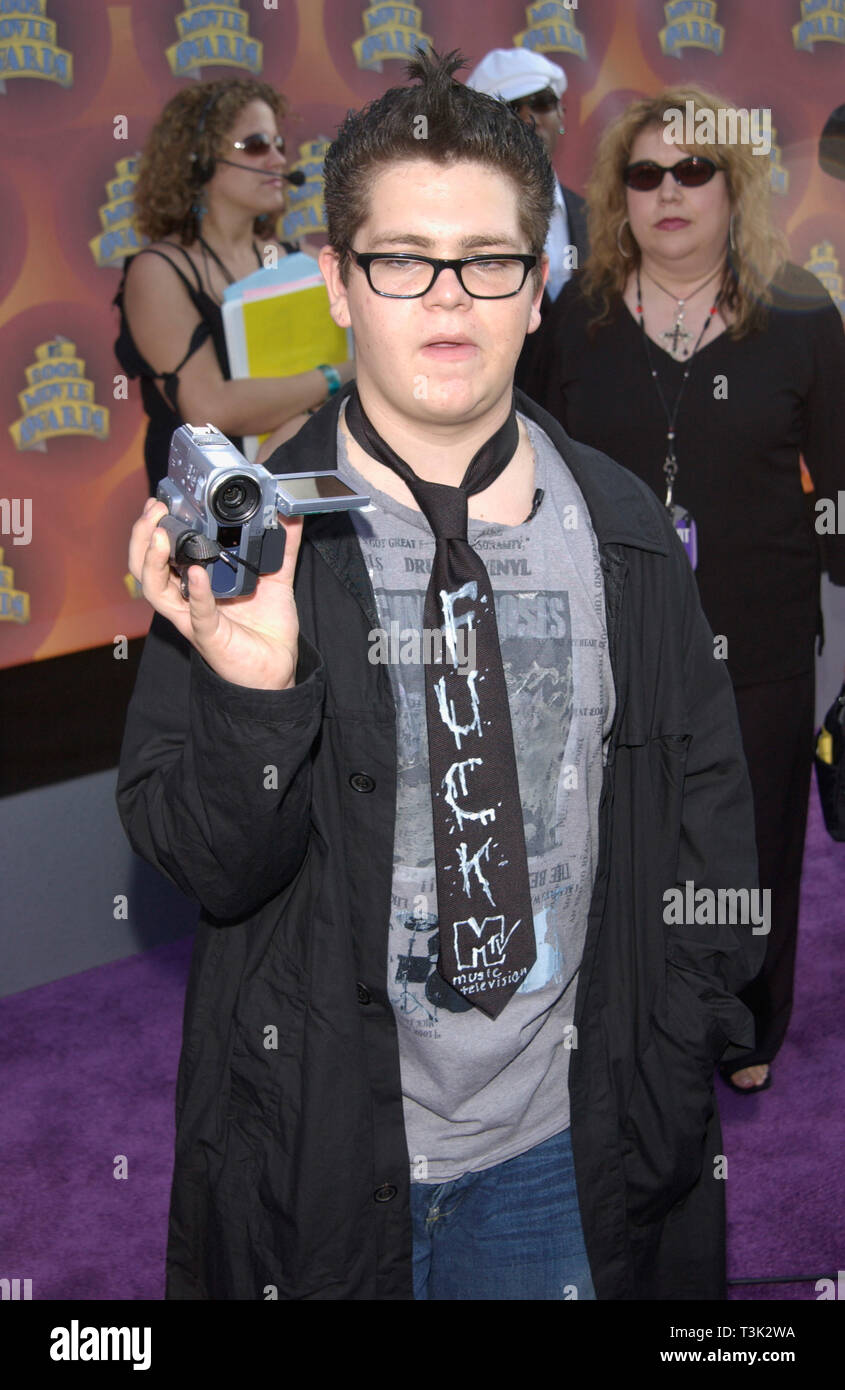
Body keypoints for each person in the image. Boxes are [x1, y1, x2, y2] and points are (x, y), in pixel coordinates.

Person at [117, 52, 764, 1301]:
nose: (448, 298)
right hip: (322, 1148)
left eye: (489, 261)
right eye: (402, 259)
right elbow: (203, 863)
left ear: (539, 287)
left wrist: (673, 1053)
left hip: (565, 1150)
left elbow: (709, 827)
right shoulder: (251, 544)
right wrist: (257, 693)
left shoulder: (623, 530)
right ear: (337, 285)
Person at [523, 86, 845, 1095]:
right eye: (643, 173)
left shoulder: (798, 309)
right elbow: (521, 468)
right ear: (617, 194)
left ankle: (743, 1023)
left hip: (758, 627)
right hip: (604, 629)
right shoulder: (568, 319)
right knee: (615, 838)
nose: (668, 192)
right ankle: (628, 1016)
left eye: (693, 169)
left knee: (747, 839)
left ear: (732, 183)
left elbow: (839, 481)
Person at [113, 77, 354, 493]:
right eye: (257, 145)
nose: (278, 159)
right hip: (210, 518)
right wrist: (341, 376)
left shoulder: (310, 262)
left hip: (313, 499)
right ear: (200, 161)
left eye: (280, 144)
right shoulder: (157, 271)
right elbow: (208, 408)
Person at [465, 48, 587, 393]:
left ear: (562, 114)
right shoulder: (459, 226)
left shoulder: (601, 220)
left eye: (541, 102)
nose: (529, 119)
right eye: (510, 108)